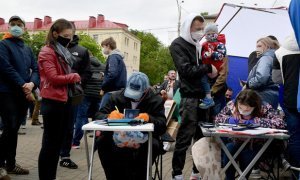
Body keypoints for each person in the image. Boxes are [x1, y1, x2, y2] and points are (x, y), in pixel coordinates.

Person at [169, 13, 218, 180]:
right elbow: (186, 71)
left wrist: (212, 71)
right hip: (189, 98)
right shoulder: (178, 45)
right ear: (188, 27)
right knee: (184, 138)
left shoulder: (199, 45)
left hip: (204, 97)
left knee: (201, 138)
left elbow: (207, 68)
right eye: (198, 29)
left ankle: (196, 172)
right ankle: (177, 173)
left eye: (202, 29)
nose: (201, 32)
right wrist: (208, 68)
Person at [95, 72, 166, 180]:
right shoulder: (116, 96)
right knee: (102, 141)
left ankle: (139, 176)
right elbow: (98, 115)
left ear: (146, 90)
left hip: (144, 139)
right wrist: (109, 115)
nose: (132, 97)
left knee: (153, 145)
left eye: (136, 93)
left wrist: (149, 118)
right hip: (117, 137)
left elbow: (162, 126)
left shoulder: (156, 100)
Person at [38, 19, 81, 180]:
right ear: (55, 34)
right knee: (49, 145)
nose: (69, 39)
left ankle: (51, 176)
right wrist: (74, 76)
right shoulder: (47, 51)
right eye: (66, 35)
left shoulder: (62, 50)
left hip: (64, 101)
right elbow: (53, 77)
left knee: (56, 146)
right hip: (53, 102)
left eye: (71, 36)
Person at [0, 15, 40, 175]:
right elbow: (5, 67)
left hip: (23, 93)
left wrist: (32, 84)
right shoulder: (3, 45)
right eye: (13, 24)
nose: (16, 26)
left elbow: (36, 69)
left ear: (24, 28)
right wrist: (24, 84)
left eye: (19, 24)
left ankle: (10, 164)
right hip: (6, 92)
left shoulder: (27, 48)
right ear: (9, 27)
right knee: (9, 126)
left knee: (14, 128)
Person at [215, 89, 285, 180]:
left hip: (256, 144)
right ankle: (229, 178)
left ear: (255, 106)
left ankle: (243, 177)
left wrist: (256, 122)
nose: (243, 112)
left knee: (248, 155)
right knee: (229, 150)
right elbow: (218, 119)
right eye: (240, 108)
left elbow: (280, 123)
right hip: (236, 141)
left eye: (247, 110)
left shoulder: (264, 107)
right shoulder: (232, 104)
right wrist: (230, 120)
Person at [59, 24, 91, 169]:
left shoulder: (82, 51)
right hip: (55, 93)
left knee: (69, 125)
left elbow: (87, 72)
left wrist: (77, 84)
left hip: (73, 94)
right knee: (54, 126)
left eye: (69, 33)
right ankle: (52, 153)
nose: (66, 36)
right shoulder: (53, 49)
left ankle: (65, 156)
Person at [275, 32, 300, 178]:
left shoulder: (279, 52)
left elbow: (276, 78)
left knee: (295, 137)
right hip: (291, 100)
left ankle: (297, 173)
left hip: (291, 99)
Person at [72, 52, 105, 148]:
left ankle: (76, 142)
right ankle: (97, 142)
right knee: (97, 119)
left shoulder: (84, 66)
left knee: (80, 117)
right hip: (98, 95)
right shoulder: (103, 66)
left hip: (85, 94)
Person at [245, 37, 280, 109]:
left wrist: (249, 84)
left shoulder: (265, 58)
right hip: (272, 95)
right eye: (256, 46)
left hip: (262, 95)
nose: (257, 49)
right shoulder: (274, 57)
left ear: (267, 46)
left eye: (259, 46)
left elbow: (262, 78)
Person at [199, 23, 227, 109]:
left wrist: (212, 91)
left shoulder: (220, 45)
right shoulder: (204, 45)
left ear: (216, 34)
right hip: (206, 72)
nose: (210, 36)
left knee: (216, 109)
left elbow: (222, 76)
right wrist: (204, 55)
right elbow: (201, 55)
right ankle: (208, 98)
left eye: (212, 33)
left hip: (217, 89)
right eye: (207, 34)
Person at [99, 37, 127, 108]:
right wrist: (105, 75)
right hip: (119, 91)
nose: (103, 49)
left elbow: (112, 74)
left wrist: (103, 87)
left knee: (102, 112)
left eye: (103, 47)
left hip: (111, 91)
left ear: (108, 46)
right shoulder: (118, 57)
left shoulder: (113, 57)